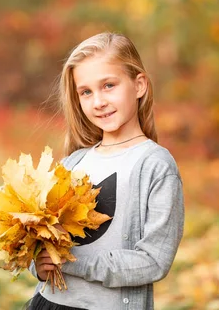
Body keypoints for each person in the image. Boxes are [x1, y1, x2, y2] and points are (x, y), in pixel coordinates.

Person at [27, 32, 184, 310]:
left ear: (139, 85)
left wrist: (74, 263)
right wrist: (39, 265)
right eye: (86, 92)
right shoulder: (72, 163)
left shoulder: (154, 165)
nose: (97, 101)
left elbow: (154, 261)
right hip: (49, 303)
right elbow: (42, 243)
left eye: (108, 85)